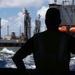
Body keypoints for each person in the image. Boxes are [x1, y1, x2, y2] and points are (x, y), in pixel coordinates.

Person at [12, 8, 75, 74]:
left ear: (45, 22)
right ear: (59, 21)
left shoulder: (36, 39)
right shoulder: (68, 39)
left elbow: (16, 58)